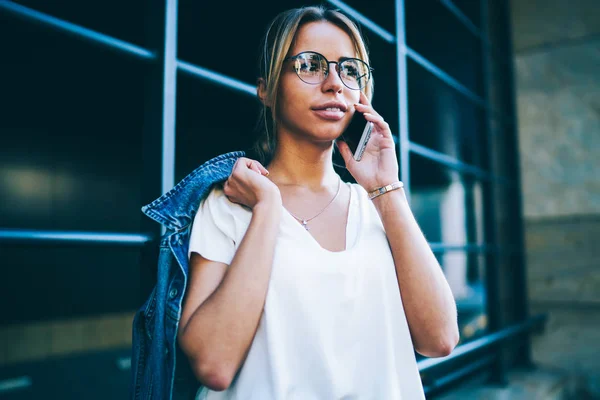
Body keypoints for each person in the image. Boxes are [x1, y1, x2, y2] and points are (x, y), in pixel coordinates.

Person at [174, 5, 459, 400]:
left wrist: (387, 187)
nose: (333, 83)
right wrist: (268, 209)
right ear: (267, 89)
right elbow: (213, 364)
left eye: (349, 69)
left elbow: (441, 339)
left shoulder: (375, 205)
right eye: (310, 65)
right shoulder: (231, 205)